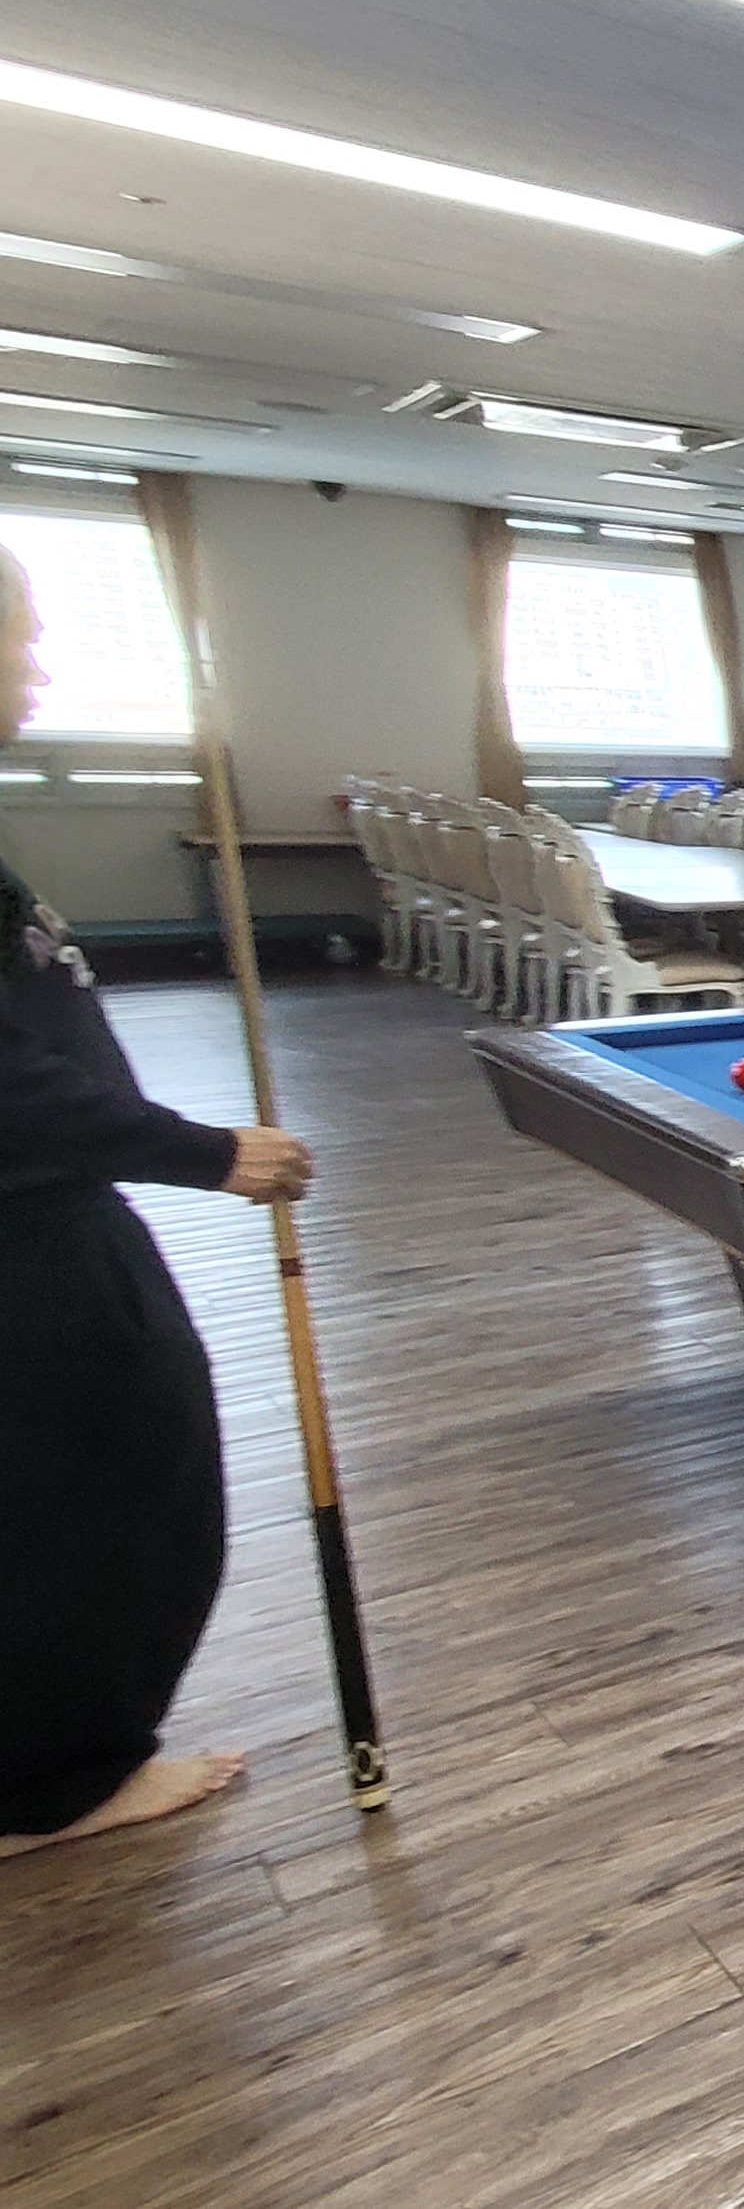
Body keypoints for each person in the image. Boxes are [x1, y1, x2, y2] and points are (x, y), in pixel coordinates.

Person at [0, 541, 314, 1861]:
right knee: (100, 1495)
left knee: (108, 1480)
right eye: (19, 637)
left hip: (55, 1207)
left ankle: (50, 1766)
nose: (36, 667)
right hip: (26, 1231)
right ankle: (54, 1784)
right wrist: (200, 1151)